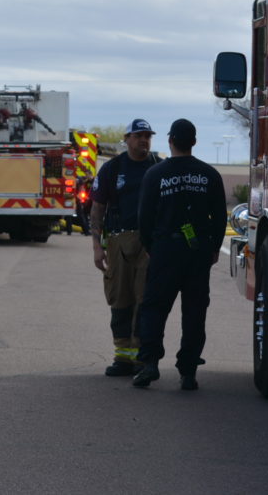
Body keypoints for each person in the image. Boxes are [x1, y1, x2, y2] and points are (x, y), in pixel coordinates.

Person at [132, 119, 226, 391]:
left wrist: (151, 247)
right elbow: (220, 217)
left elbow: (144, 217)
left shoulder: (155, 175)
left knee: (154, 308)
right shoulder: (209, 175)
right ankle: (188, 371)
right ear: (194, 142)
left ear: (170, 140)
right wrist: (213, 248)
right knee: (195, 312)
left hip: (165, 249)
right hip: (198, 252)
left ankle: (149, 363)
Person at [89, 118, 162, 377]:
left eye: (147, 136)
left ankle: (142, 358)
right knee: (120, 299)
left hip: (150, 244)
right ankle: (122, 357)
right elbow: (97, 209)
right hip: (119, 242)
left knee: (145, 300)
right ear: (126, 139)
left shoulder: (158, 167)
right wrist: (97, 247)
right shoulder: (112, 168)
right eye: (139, 135)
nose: (144, 140)